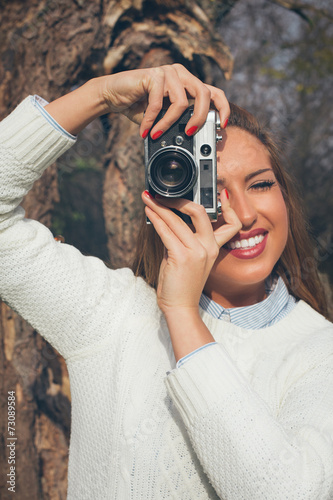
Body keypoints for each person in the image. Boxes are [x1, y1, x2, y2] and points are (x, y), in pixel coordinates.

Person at [0, 64, 332, 500]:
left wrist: (182, 316)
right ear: (171, 203)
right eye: (213, 191)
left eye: (261, 184)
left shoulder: (319, 350)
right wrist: (100, 95)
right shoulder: (111, 315)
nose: (246, 216)